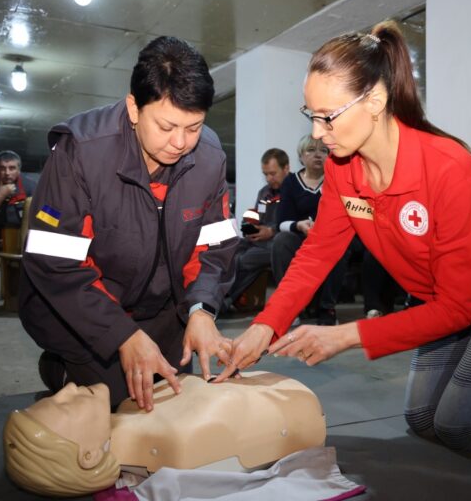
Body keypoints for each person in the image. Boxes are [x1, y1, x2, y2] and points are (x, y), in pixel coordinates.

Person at [217, 21, 471, 450]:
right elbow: (317, 253)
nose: (317, 133)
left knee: (463, 425)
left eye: (327, 117)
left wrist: (346, 336)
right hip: (448, 300)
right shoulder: (342, 168)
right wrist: (265, 325)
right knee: (424, 420)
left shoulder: (448, 168)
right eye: (310, 116)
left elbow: (457, 307)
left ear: (374, 100)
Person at [18, 36, 238, 411]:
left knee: (179, 392)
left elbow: (215, 246)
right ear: (134, 107)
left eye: (194, 126)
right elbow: (55, 264)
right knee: (123, 401)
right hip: (74, 306)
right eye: (167, 126)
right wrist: (121, 334)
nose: (181, 142)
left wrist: (202, 310)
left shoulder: (211, 157)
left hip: (158, 304)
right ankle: (61, 369)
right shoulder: (81, 153)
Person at [4, 373, 335, 498]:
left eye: (54, 397)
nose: (68, 389)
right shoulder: (183, 445)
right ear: (88, 456)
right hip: (296, 403)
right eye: (63, 407)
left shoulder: (133, 404)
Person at [272, 134, 349, 325]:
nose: (317, 155)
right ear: (301, 156)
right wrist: (298, 225)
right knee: (281, 242)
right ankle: (289, 307)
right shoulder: (290, 182)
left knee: (340, 245)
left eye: (323, 151)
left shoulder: (335, 180)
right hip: (301, 235)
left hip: (328, 238)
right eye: (311, 150)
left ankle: (327, 308)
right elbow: (280, 222)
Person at [221, 148, 289, 312]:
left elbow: (294, 221)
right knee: (230, 248)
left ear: (286, 168)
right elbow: (258, 214)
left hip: (280, 243)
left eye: (272, 173)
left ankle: (225, 300)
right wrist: (249, 223)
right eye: (265, 174)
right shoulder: (265, 192)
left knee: (245, 260)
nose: (268, 178)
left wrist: (271, 231)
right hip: (260, 241)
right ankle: (225, 299)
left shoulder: (293, 190)